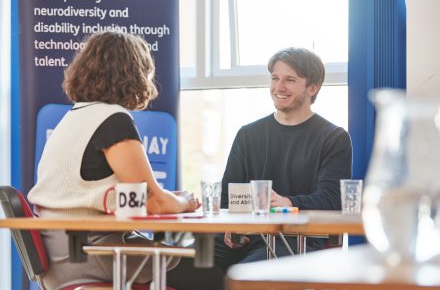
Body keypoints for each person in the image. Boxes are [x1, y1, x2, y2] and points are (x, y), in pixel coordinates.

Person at [28, 31, 222, 290]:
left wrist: (165, 198)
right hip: (91, 255)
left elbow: (117, 195)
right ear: (133, 75)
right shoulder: (112, 120)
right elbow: (155, 202)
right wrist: (185, 201)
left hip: (61, 258)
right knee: (209, 274)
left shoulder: (74, 117)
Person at [214, 47, 353, 273]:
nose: (279, 87)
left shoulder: (333, 137)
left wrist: (289, 202)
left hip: (298, 240)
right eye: (275, 78)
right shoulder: (248, 135)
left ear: (312, 88)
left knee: (246, 274)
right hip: (246, 237)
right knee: (185, 262)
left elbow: (332, 199)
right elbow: (226, 197)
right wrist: (231, 226)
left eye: (290, 80)